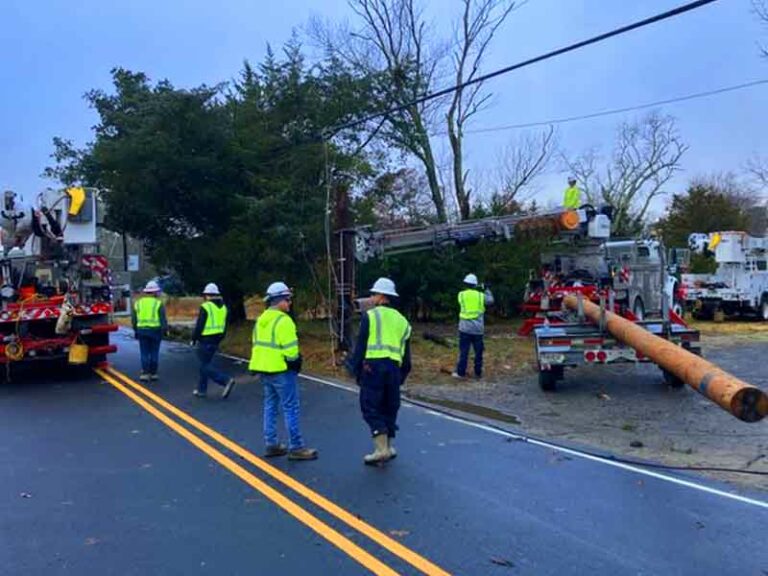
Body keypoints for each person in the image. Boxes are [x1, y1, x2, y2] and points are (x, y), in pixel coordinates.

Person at [249, 282, 317, 461]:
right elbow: (291, 352)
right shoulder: (284, 321)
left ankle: (271, 444)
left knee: (270, 406)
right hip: (282, 370)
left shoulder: (261, 319)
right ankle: (297, 447)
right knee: (290, 407)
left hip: (264, 369)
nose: (289, 303)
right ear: (279, 300)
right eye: (287, 299)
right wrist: (296, 362)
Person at [348, 277, 412, 465]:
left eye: (374, 294)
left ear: (382, 297)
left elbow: (361, 346)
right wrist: (402, 376)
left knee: (370, 406)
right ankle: (389, 447)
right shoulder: (403, 321)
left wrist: (356, 368)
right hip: (394, 368)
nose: (372, 297)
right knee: (390, 405)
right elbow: (407, 356)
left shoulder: (371, 316)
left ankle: (380, 449)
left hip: (373, 367)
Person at [191, 283, 236, 399]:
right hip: (217, 339)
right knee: (205, 364)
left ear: (207, 295)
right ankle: (201, 390)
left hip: (205, 339)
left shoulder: (206, 307)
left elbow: (200, 325)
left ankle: (225, 380)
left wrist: (194, 338)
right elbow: (225, 325)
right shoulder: (224, 307)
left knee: (204, 365)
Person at [452, 273, 494, 380]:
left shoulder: (461, 295)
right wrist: (486, 289)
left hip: (464, 328)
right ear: (475, 284)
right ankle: (478, 373)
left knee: (464, 352)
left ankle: (460, 373)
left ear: (465, 284)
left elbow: (465, 300)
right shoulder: (481, 296)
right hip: (477, 329)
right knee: (478, 352)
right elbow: (491, 300)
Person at [131, 280, 167, 382]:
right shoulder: (158, 304)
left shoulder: (138, 303)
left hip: (142, 330)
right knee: (154, 352)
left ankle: (145, 373)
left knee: (144, 352)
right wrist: (164, 330)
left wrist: (135, 330)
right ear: (155, 292)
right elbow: (162, 319)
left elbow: (134, 319)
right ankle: (154, 373)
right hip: (155, 331)